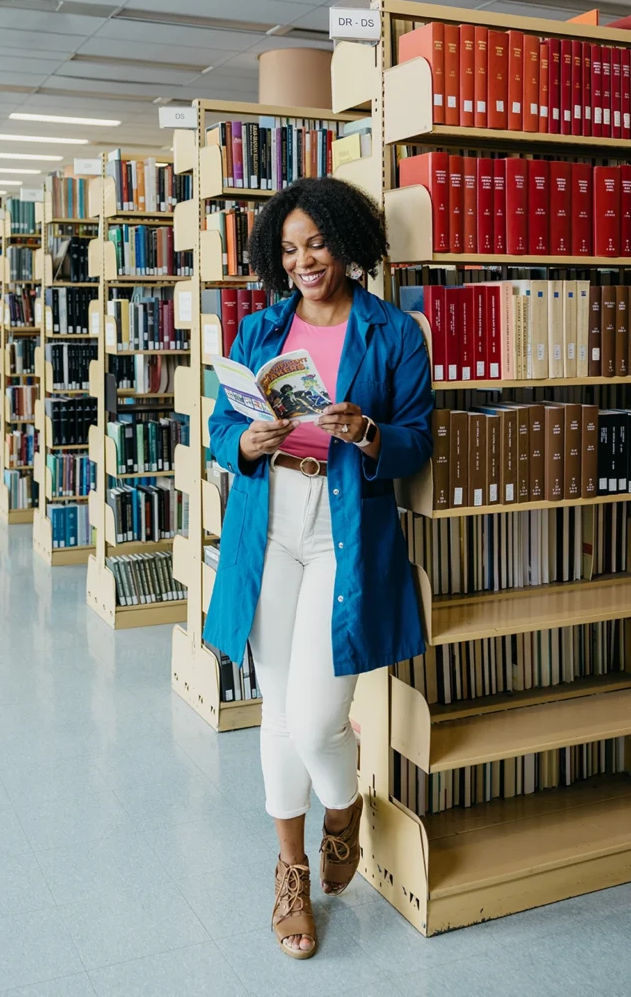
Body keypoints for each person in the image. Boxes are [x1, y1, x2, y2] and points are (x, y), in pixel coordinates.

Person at [204, 176, 433, 959]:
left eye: (319, 243)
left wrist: (367, 430)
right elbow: (216, 431)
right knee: (276, 710)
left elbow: (417, 441)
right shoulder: (259, 329)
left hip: (345, 533)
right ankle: (292, 870)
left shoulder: (393, 332)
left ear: (348, 243)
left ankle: (343, 808)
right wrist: (245, 443)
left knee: (315, 718)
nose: (305, 260)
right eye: (291, 248)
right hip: (268, 523)